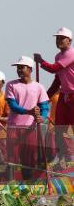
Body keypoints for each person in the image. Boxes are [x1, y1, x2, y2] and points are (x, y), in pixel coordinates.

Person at [5, 56, 50, 180]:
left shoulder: (39, 87)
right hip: (14, 127)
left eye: (22, 67)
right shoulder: (11, 85)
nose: (19, 70)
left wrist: (42, 117)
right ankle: (9, 184)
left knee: (29, 160)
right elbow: (13, 105)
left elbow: (45, 107)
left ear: (30, 69)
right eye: (18, 68)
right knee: (11, 159)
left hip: (30, 128)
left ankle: (28, 186)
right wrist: (28, 111)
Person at [34, 26, 74, 165]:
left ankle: (69, 156)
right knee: (58, 129)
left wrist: (41, 61)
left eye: (61, 38)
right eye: (57, 38)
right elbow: (57, 80)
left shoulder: (71, 53)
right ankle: (63, 155)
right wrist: (45, 97)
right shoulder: (58, 56)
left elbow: (53, 69)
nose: (58, 40)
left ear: (69, 41)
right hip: (64, 95)